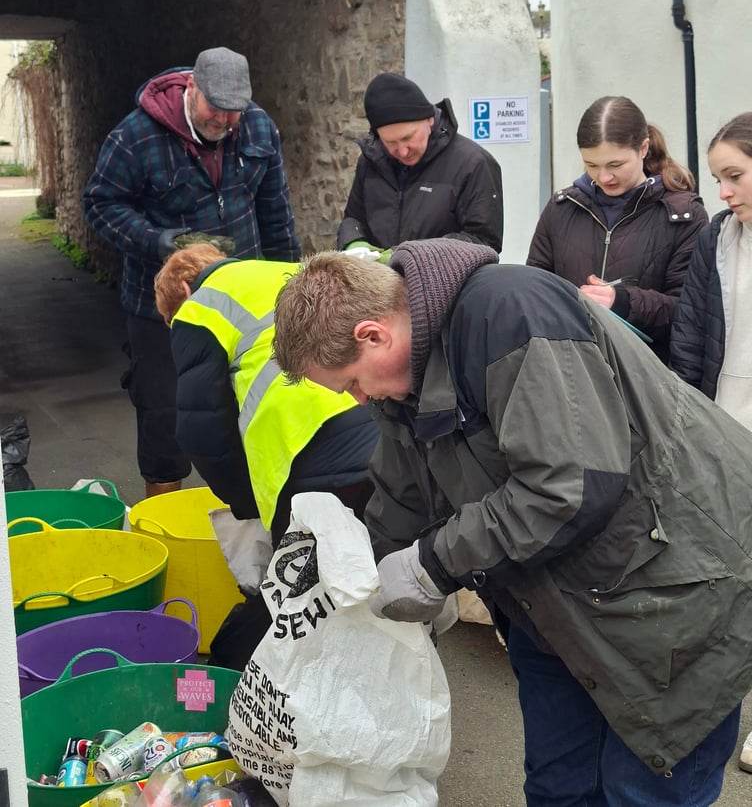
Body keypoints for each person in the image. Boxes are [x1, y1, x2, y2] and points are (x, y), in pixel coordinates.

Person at [272, 237, 752, 806]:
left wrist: (434, 566)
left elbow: (569, 485)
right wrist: (349, 576)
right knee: (559, 787)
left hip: (670, 589)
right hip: (553, 601)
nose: (357, 399)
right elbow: (404, 497)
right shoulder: (402, 381)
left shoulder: (510, 313)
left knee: (641, 791)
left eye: (351, 382)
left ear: (373, 334)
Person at [83, 47, 301, 498]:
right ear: (191, 88)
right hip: (159, 306)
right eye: (215, 108)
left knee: (253, 400)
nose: (225, 121)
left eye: (234, 111)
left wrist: (291, 285)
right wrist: (155, 240)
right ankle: (166, 516)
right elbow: (101, 204)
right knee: (165, 413)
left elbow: (275, 212)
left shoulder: (258, 127)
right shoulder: (136, 136)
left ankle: (255, 512)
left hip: (242, 301)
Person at [154, 243, 378, 668]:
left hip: (302, 452)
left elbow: (201, 430)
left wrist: (245, 501)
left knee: (296, 590)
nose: (173, 326)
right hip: (372, 422)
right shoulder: (289, 270)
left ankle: (247, 679)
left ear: (184, 287)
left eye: (169, 318)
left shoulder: (200, 308)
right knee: (372, 566)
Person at [669, 112, 752, 772]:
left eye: (736, 176)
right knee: (727, 587)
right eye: (720, 178)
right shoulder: (717, 239)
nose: (723, 193)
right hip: (725, 436)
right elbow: (690, 340)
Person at [527, 95, 707, 361]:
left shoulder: (685, 216)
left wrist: (622, 302)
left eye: (615, 165)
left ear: (643, 148)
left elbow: (692, 312)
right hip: (571, 372)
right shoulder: (561, 209)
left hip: (648, 375)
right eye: (591, 165)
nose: (604, 177)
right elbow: (535, 288)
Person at [336, 72, 503, 256]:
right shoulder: (371, 160)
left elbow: (483, 241)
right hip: (380, 283)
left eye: (408, 137)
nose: (403, 151)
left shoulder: (474, 164)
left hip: (448, 284)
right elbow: (354, 218)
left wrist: (409, 256)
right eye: (390, 143)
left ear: (429, 120)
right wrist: (354, 243)